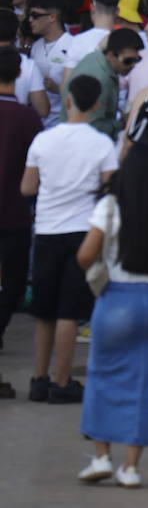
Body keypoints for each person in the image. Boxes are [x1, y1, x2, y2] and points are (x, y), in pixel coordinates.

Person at [75, 141, 148, 487]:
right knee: (147, 381)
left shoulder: (110, 207)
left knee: (103, 375)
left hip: (117, 298)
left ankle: (100, 458)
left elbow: (85, 256)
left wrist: (102, 269)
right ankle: (131, 467)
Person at [21, 74, 118, 404]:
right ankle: (62, 382)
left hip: (47, 229)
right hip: (82, 230)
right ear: (97, 105)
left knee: (44, 311)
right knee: (68, 312)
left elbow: (27, 188)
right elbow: (111, 186)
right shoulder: (102, 143)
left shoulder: (43, 141)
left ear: (67, 101)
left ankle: (38, 378)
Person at [0, 49, 42, 358]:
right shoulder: (29, 118)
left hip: (15, 212)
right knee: (13, 281)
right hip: (15, 212)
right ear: (19, 74)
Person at [60, 27, 144, 138]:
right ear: (111, 55)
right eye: (128, 61)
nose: (132, 65)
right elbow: (92, 127)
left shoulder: (98, 57)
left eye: (136, 60)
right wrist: (121, 124)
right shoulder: (100, 80)